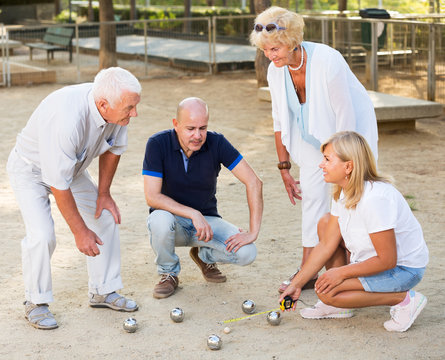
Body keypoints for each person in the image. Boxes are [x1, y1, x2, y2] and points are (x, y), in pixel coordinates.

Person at [249, 7, 379, 293]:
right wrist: (284, 168)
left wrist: (342, 167)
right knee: (312, 201)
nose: (271, 55)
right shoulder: (275, 70)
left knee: (347, 203)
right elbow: (279, 120)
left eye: (276, 48)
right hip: (309, 141)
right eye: (266, 50)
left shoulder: (328, 61)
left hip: (351, 138)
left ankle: (362, 269)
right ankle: (307, 271)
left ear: (293, 39)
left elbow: (346, 123)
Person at [7, 67, 142, 330]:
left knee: (104, 216)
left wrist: (104, 194)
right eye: (130, 108)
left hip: (73, 167)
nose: (134, 113)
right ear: (103, 105)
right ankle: (35, 302)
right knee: (43, 234)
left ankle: (103, 290)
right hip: (30, 169)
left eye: (134, 106)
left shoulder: (117, 110)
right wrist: (80, 232)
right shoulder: (67, 117)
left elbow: (113, 149)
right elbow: (58, 184)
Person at [280, 131, 428, 332]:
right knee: (325, 224)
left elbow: (387, 260)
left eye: (327, 159)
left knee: (327, 292)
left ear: (348, 166)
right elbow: (326, 245)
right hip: (373, 262)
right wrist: (297, 283)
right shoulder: (342, 191)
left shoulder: (375, 199)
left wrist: (339, 273)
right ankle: (340, 306)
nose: (320, 165)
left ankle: (404, 300)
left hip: (403, 270)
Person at [143, 97, 263, 299]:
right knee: (159, 221)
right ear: (176, 124)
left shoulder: (217, 142)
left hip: (207, 225)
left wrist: (253, 231)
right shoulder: (157, 144)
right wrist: (192, 213)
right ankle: (168, 273)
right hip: (173, 223)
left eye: (203, 128)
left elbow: (254, 182)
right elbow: (152, 197)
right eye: (190, 128)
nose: (197, 135)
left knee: (247, 253)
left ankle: (204, 255)